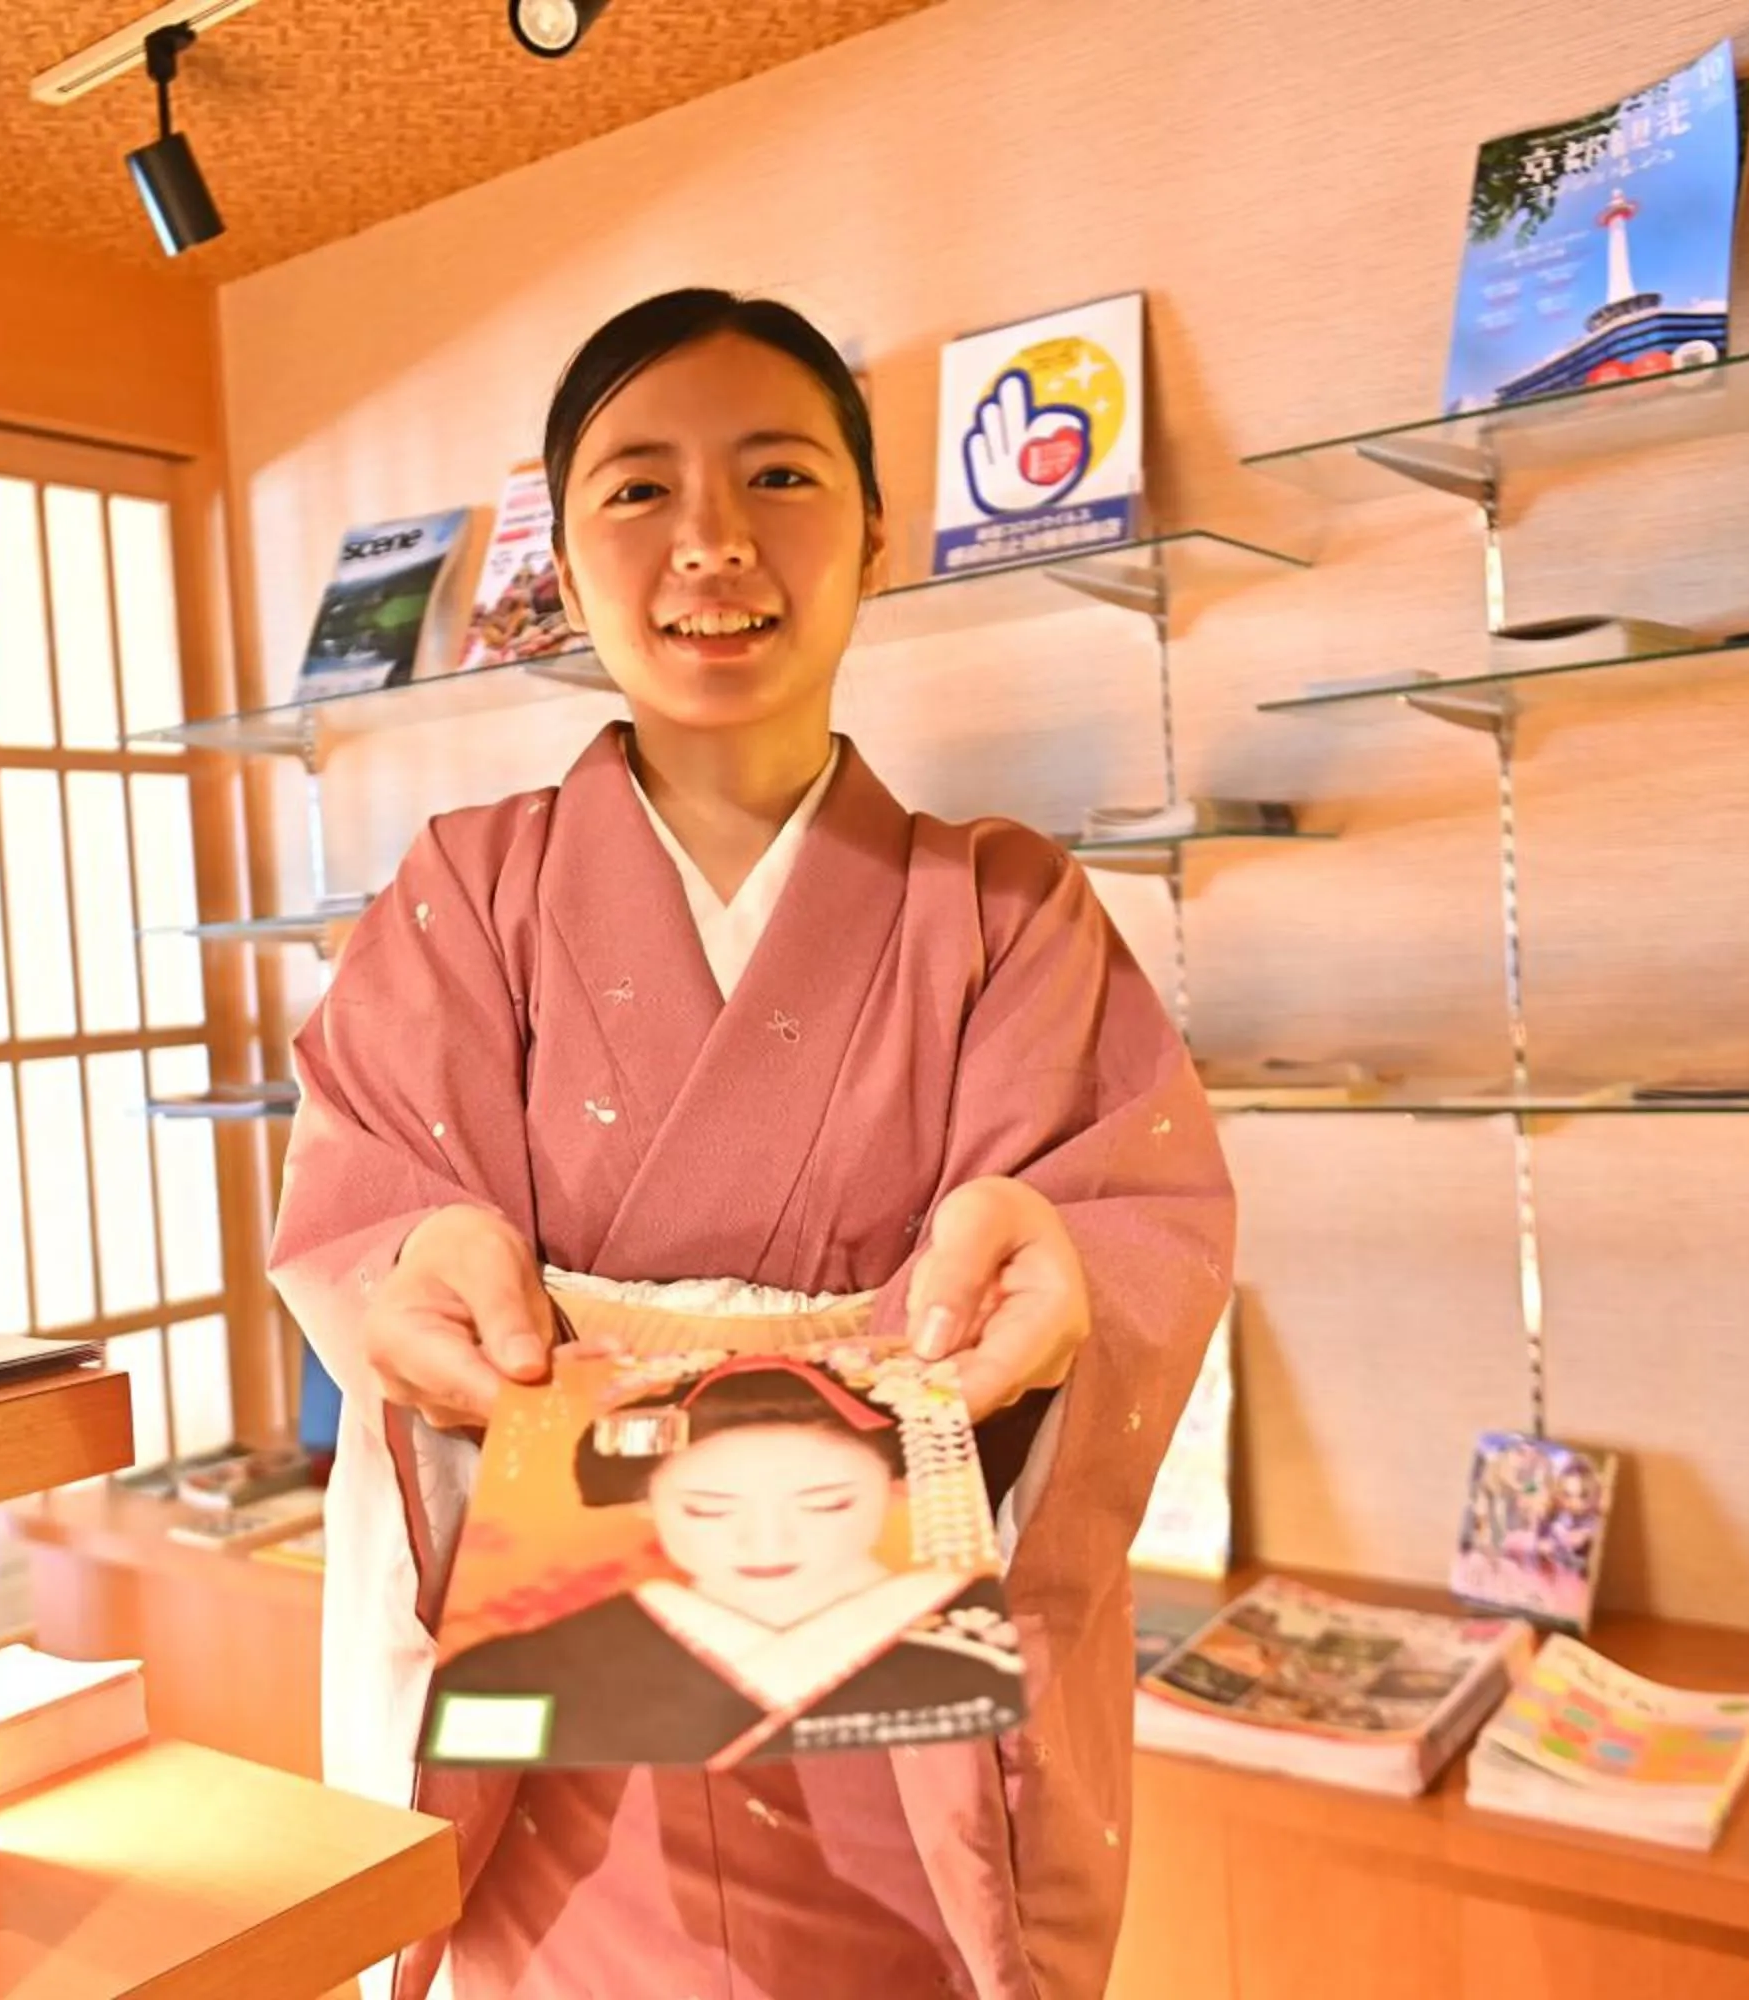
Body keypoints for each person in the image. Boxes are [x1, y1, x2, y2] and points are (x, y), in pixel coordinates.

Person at [271, 288, 1237, 2000]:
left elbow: (1127, 1212)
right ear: (560, 571)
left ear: (875, 533)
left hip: (890, 1720)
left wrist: (1061, 1268)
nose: (710, 541)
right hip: (554, 1736)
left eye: (778, 475)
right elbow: (369, 1198)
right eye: (636, 491)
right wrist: (415, 1263)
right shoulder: (464, 891)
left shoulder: (1004, 909)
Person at [428, 1354, 1025, 1771]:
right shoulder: (520, 1666)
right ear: (646, 1504)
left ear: (897, 1487)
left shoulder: (981, 1630)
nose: (766, 1542)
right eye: (707, 1511)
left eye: (828, 1504)